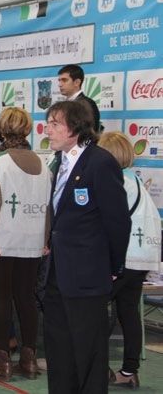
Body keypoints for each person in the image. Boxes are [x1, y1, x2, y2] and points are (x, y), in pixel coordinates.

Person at [41, 101, 130, 394]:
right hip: (58, 273)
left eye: (55, 124)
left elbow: (118, 222)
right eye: (48, 123)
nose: (47, 130)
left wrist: (113, 266)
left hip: (88, 274)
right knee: (59, 350)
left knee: (88, 352)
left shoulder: (100, 162)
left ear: (75, 128)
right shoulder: (60, 162)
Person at [0, 107, 51, 381]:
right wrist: (44, 239)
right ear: (28, 129)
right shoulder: (43, 162)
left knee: (1, 298)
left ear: (1, 128)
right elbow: (48, 206)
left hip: (2, 238)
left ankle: (3, 362)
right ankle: (29, 358)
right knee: (26, 297)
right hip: (33, 239)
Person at [98, 132, 162, 388]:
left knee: (96, 309)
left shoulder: (115, 182)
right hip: (142, 258)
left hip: (124, 257)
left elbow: (111, 223)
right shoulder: (133, 180)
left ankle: (98, 367)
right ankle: (129, 370)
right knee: (128, 312)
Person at [57, 64, 101, 132]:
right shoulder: (63, 105)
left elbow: (90, 132)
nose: (60, 84)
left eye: (64, 80)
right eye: (59, 80)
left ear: (77, 82)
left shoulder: (87, 104)